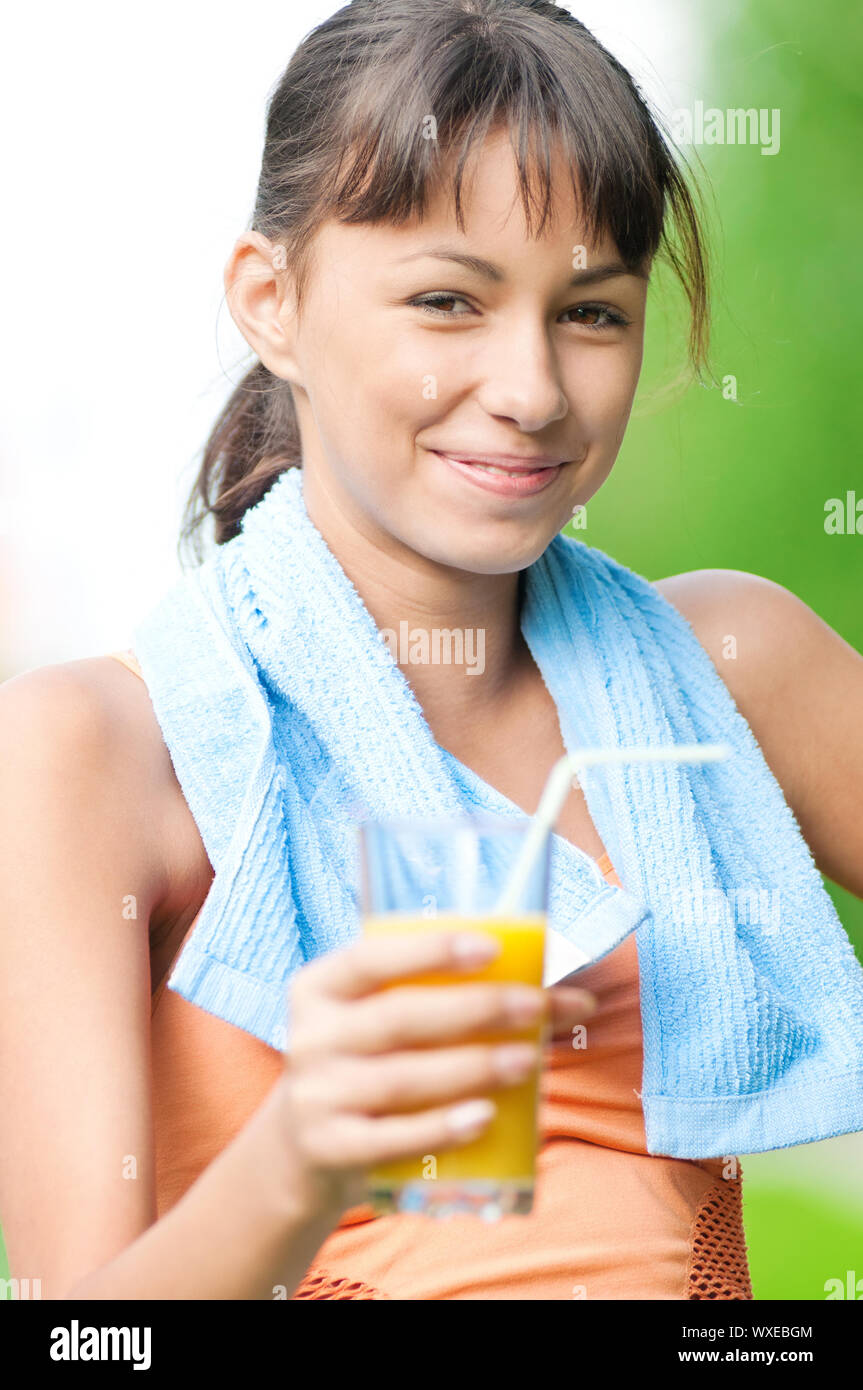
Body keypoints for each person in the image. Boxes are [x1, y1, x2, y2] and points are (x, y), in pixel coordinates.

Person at [2, 0, 862, 1302]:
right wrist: (302, 1149)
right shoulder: (94, 751)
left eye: (591, 312)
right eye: (448, 300)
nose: (530, 388)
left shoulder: (731, 666)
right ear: (270, 303)